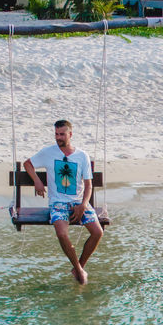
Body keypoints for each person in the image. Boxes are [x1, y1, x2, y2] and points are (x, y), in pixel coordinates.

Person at [24, 119, 102, 285]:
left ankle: (79, 267)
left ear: (70, 134)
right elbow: (28, 164)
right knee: (61, 233)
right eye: (56, 134)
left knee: (98, 232)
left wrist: (82, 205)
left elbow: (88, 185)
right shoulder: (48, 152)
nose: (58, 137)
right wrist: (37, 180)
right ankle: (80, 272)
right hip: (58, 203)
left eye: (61, 134)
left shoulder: (82, 156)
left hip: (79, 202)